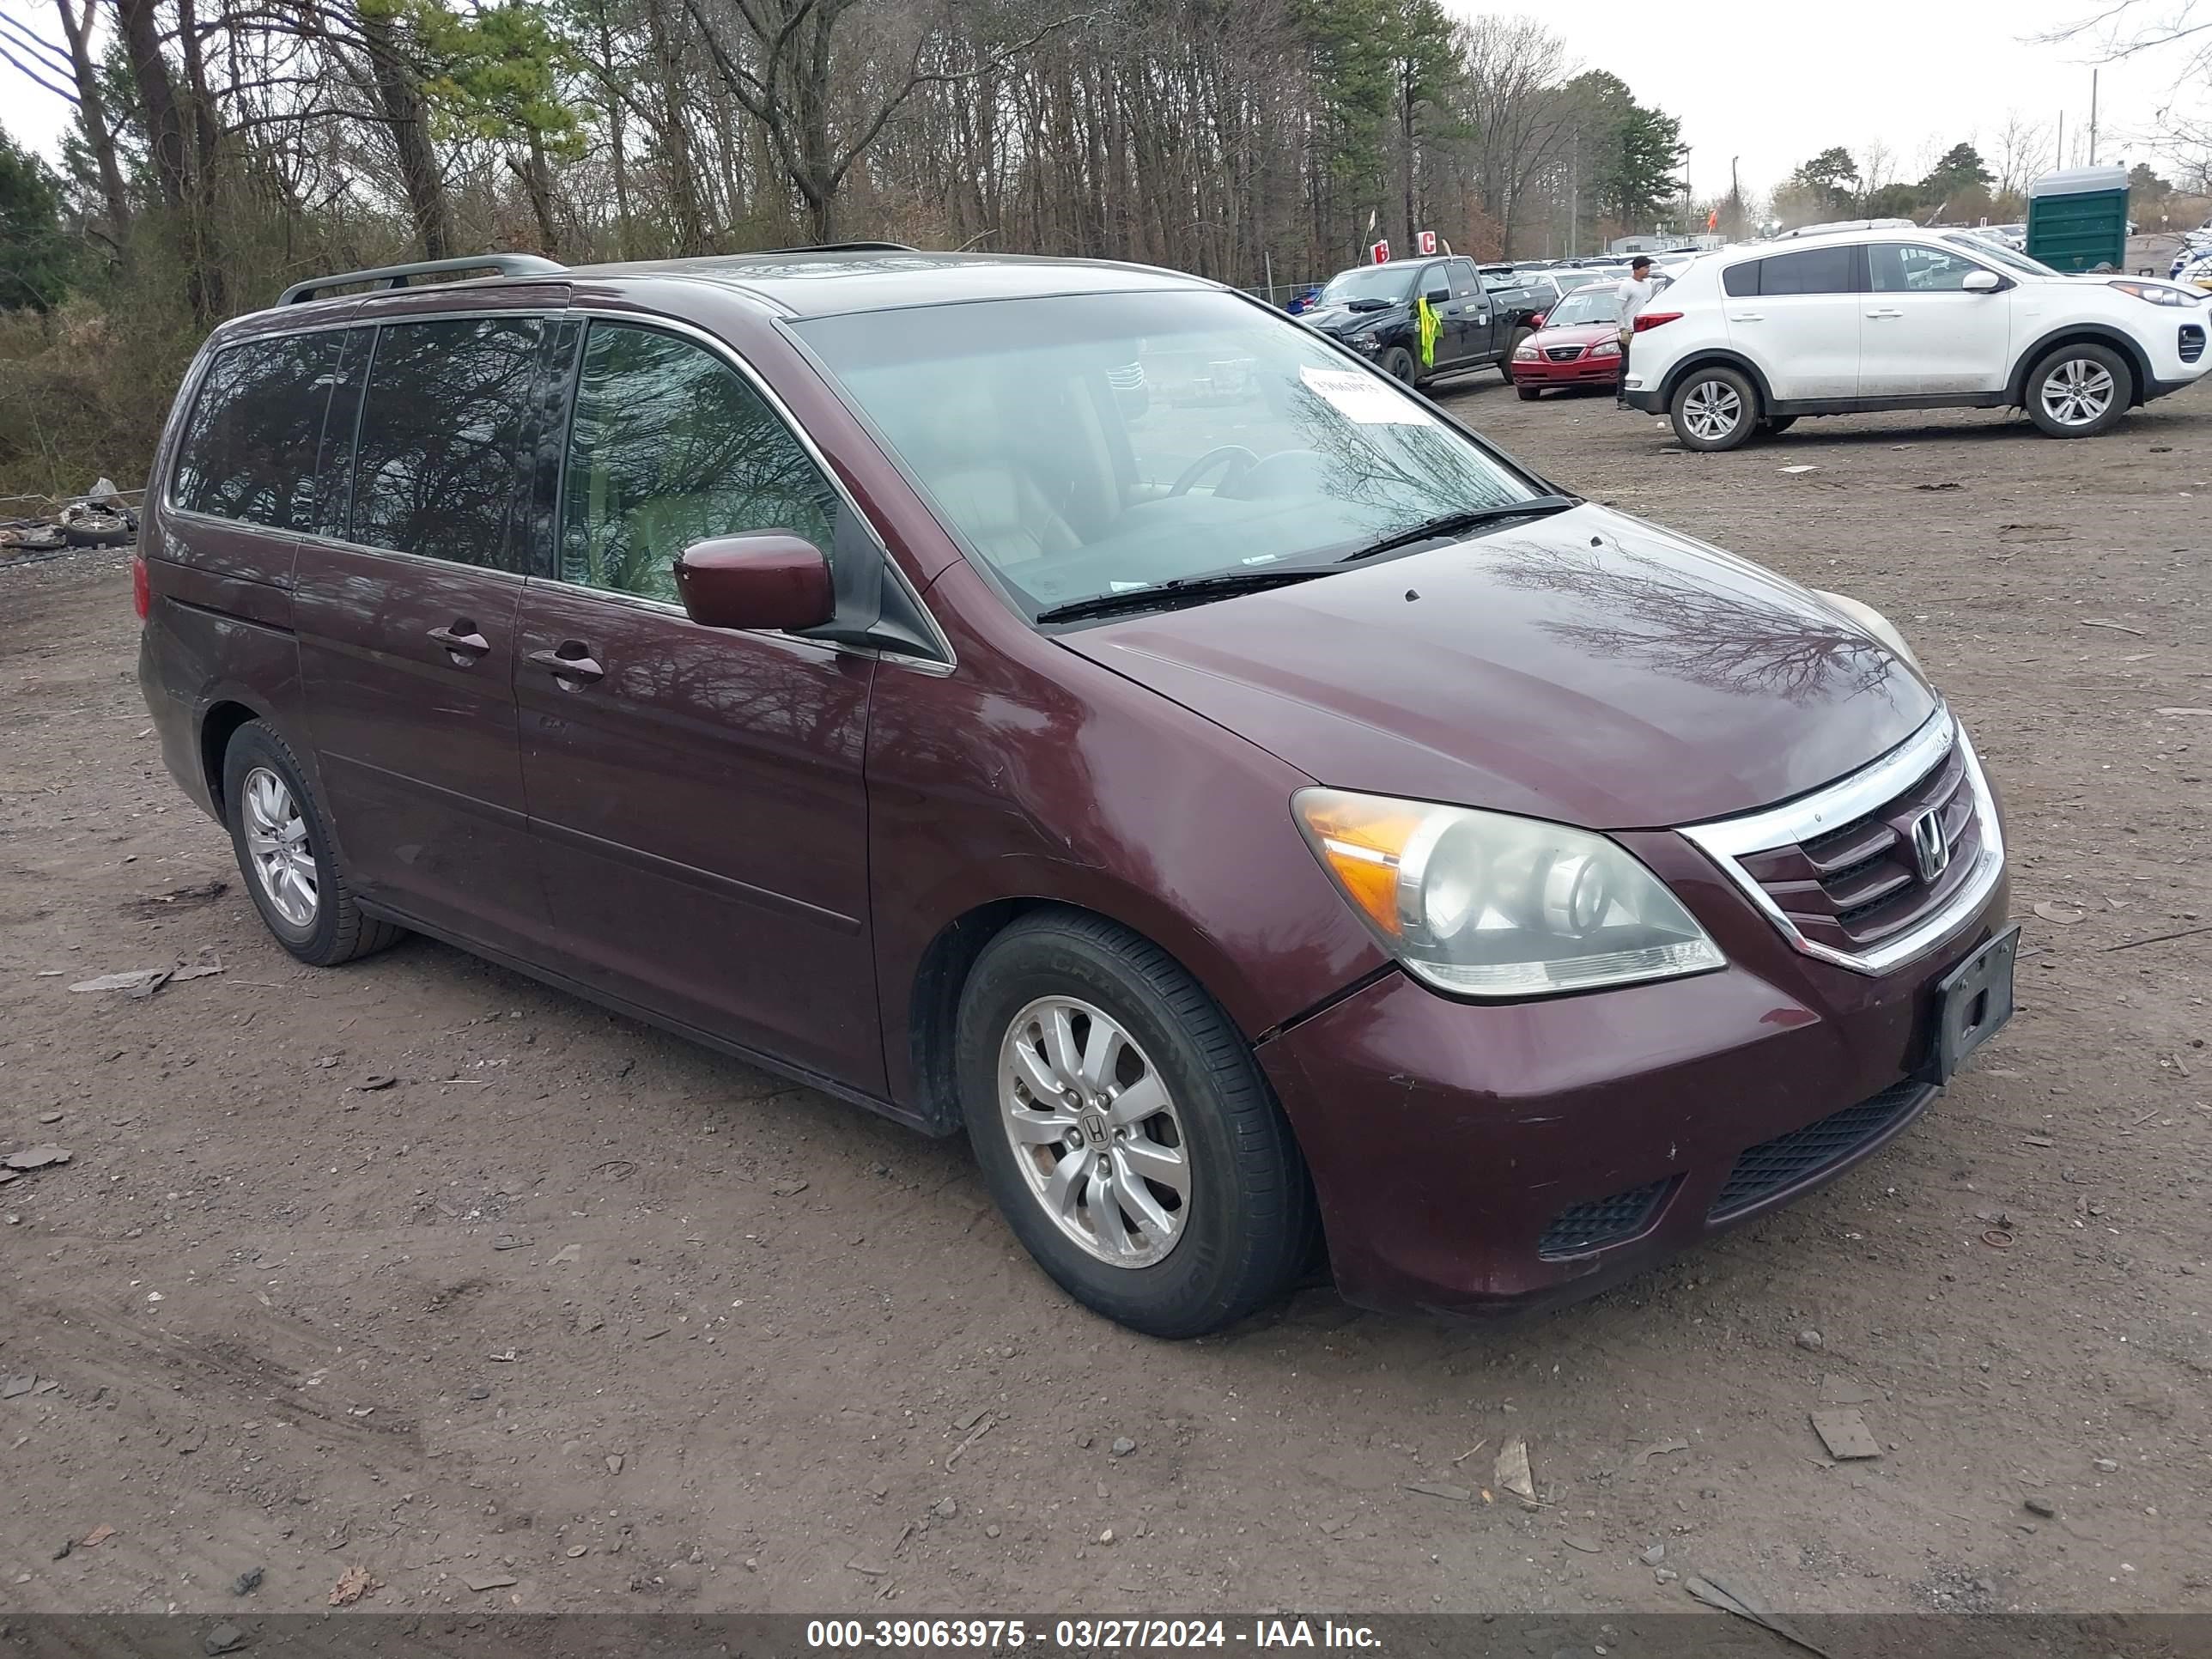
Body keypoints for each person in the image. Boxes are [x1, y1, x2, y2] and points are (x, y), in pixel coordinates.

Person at [1614, 255, 1657, 409]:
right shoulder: (1627, 286)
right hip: (1631, 331)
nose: (1648, 271)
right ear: (1636, 269)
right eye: (1645, 268)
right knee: (1626, 365)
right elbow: (1618, 309)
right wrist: (1623, 328)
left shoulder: (1648, 285)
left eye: (1648, 268)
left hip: (1645, 329)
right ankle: (1621, 398)